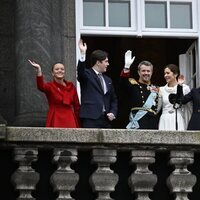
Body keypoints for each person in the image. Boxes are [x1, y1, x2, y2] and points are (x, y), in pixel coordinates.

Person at [77, 39, 118, 128]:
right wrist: (83, 54)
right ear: (98, 62)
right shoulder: (87, 75)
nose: (108, 64)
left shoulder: (108, 80)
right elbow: (80, 73)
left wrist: (113, 112)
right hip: (90, 118)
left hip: (106, 119)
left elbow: (113, 99)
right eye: (106, 61)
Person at [28, 60, 80, 128]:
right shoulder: (50, 86)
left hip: (70, 118)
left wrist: (79, 123)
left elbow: (77, 106)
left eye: (62, 69)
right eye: (57, 69)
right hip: (55, 117)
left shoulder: (71, 87)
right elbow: (41, 86)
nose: (60, 71)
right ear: (53, 73)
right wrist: (39, 70)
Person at [120, 50, 159, 129]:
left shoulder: (156, 88)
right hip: (138, 122)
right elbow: (122, 82)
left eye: (148, 71)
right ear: (138, 72)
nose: (146, 73)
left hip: (152, 123)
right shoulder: (133, 84)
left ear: (152, 72)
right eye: (143, 71)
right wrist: (126, 67)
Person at [157, 64, 191, 130]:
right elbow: (158, 109)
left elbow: (189, 108)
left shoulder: (184, 88)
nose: (165, 75)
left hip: (179, 119)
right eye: (164, 73)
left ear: (175, 74)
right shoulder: (161, 89)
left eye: (168, 73)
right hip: (164, 120)